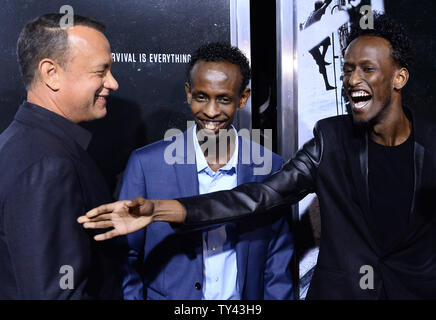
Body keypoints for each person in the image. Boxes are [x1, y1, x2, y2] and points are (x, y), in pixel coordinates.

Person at [79, 14, 436, 299]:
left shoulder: (432, 148)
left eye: (367, 69)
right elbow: (257, 197)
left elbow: (276, 262)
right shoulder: (331, 140)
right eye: (346, 69)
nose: (351, 79)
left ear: (399, 77)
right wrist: (158, 210)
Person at [118, 42, 294, 300]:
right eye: (202, 97)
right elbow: (126, 257)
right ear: (189, 94)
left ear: (243, 98)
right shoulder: (147, 165)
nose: (211, 111)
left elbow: (277, 261)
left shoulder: (269, 166)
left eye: (223, 99)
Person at [0, 14, 120, 299]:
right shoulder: (48, 164)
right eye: (100, 72)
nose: (112, 83)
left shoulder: (21, 141)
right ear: (51, 73)